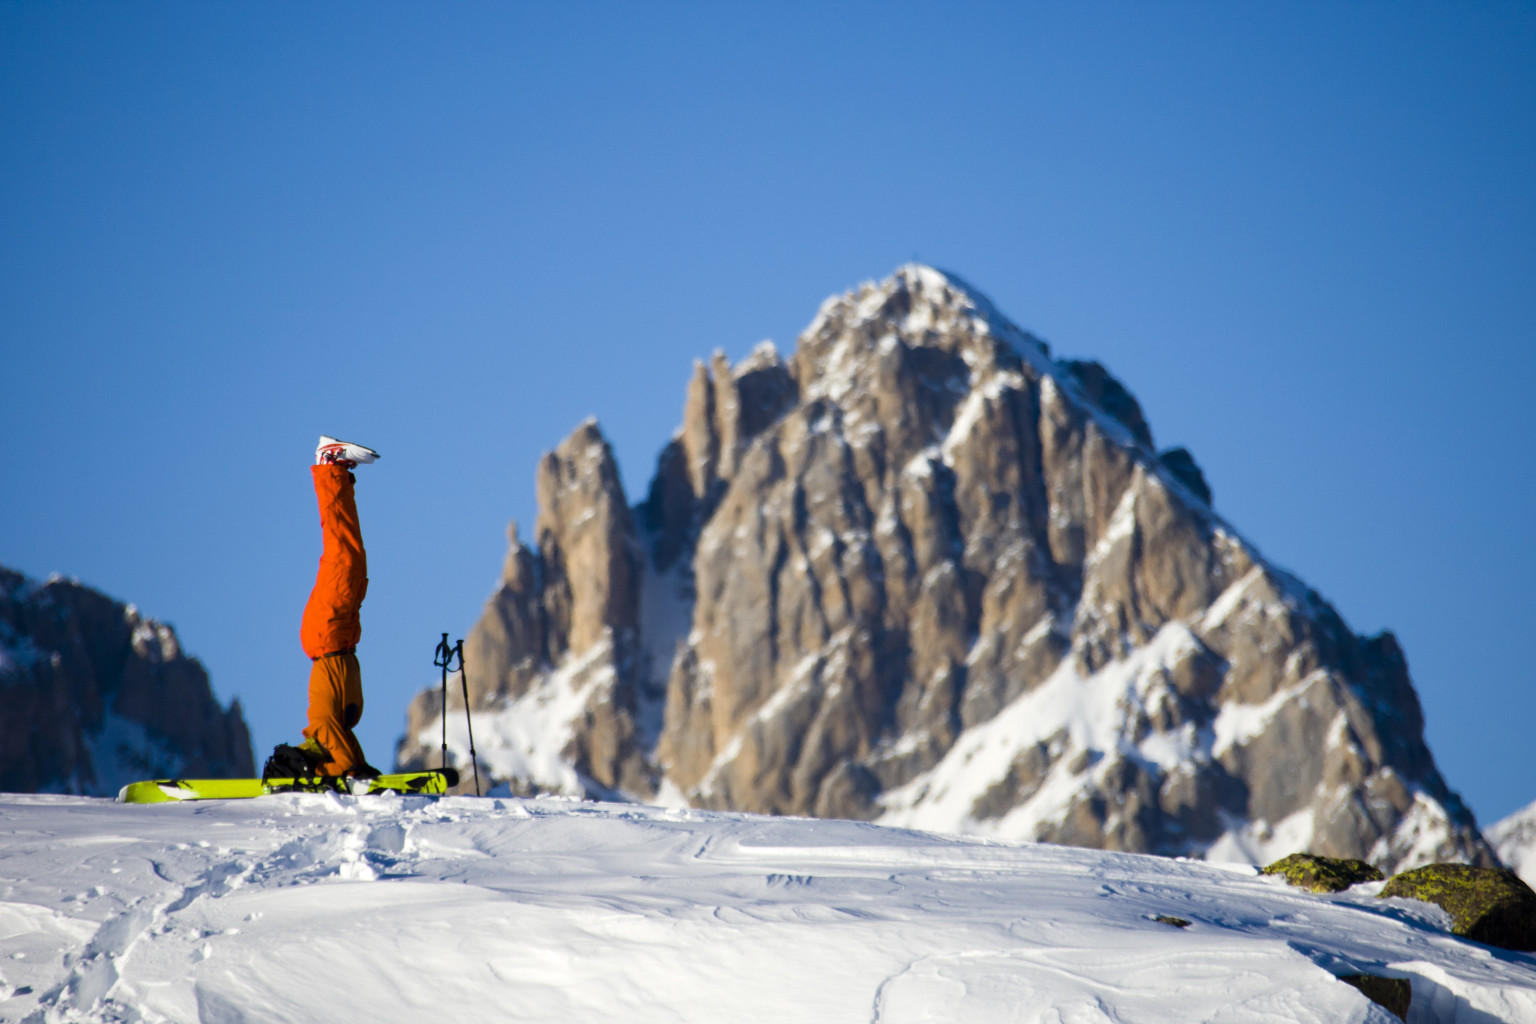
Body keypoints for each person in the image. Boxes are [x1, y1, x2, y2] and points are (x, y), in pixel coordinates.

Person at [297, 435, 381, 779]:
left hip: (326, 631)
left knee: (343, 554)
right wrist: (360, 771)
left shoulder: (322, 725)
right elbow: (347, 754)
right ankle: (336, 473)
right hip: (338, 635)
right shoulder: (333, 731)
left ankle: (328, 466)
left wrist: (351, 773)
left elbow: (331, 739)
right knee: (352, 558)